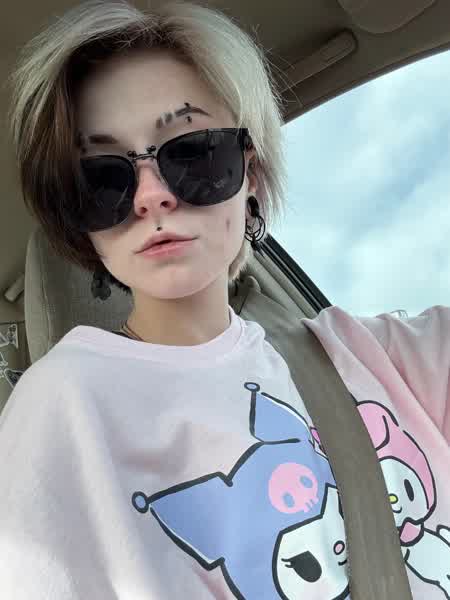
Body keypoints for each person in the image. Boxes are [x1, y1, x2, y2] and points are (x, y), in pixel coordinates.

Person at [1, 1, 449, 598]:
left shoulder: (378, 355)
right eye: (102, 179)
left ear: (251, 175)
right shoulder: (59, 407)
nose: (151, 197)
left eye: (192, 152)